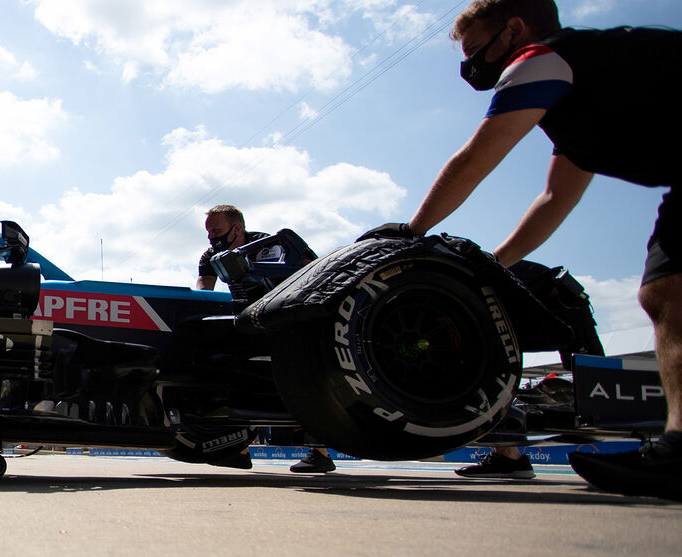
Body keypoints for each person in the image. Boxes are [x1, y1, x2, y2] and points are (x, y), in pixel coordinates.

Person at [358, 0, 679, 496]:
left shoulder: (543, 58)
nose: (471, 66)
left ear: (513, 29)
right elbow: (554, 198)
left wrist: (412, 229)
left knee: (669, 293)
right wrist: (492, 267)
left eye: (475, 50)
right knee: (667, 294)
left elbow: (478, 156)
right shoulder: (583, 98)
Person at [196, 204, 336, 473]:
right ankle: (238, 449)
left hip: (284, 319)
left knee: (300, 378)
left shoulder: (266, 244)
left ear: (237, 228)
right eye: (208, 230)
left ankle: (320, 452)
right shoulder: (209, 255)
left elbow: (308, 270)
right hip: (245, 321)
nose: (211, 235)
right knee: (235, 374)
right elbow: (205, 292)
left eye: (216, 229)